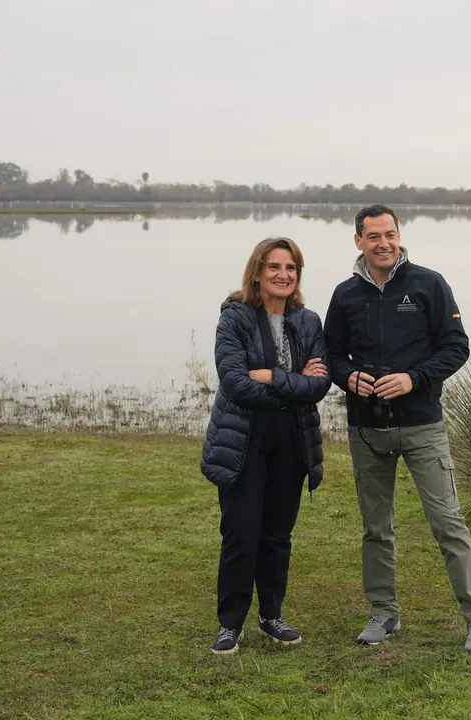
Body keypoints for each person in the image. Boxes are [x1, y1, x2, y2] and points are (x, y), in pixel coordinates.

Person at [323, 204, 471, 655]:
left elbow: (457, 348)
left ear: (400, 236)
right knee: (376, 528)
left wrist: (414, 378)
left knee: (448, 522)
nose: (384, 243)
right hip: (367, 430)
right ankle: (383, 612)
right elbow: (332, 354)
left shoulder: (428, 284)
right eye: (374, 236)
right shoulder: (344, 295)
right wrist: (348, 378)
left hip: (422, 426)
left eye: (390, 234)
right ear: (358, 241)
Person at [200, 236, 331, 655]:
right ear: (257, 272)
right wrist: (295, 385)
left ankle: (271, 615)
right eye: (274, 267)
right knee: (241, 534)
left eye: (291, 268)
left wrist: (271, 377)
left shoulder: (308, 321)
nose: (283, 275)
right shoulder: (235, 318)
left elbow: (321, 383)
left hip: (292, 442)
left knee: (277, 535)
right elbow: (236, 384)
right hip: (244, 441)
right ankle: (230, 623)